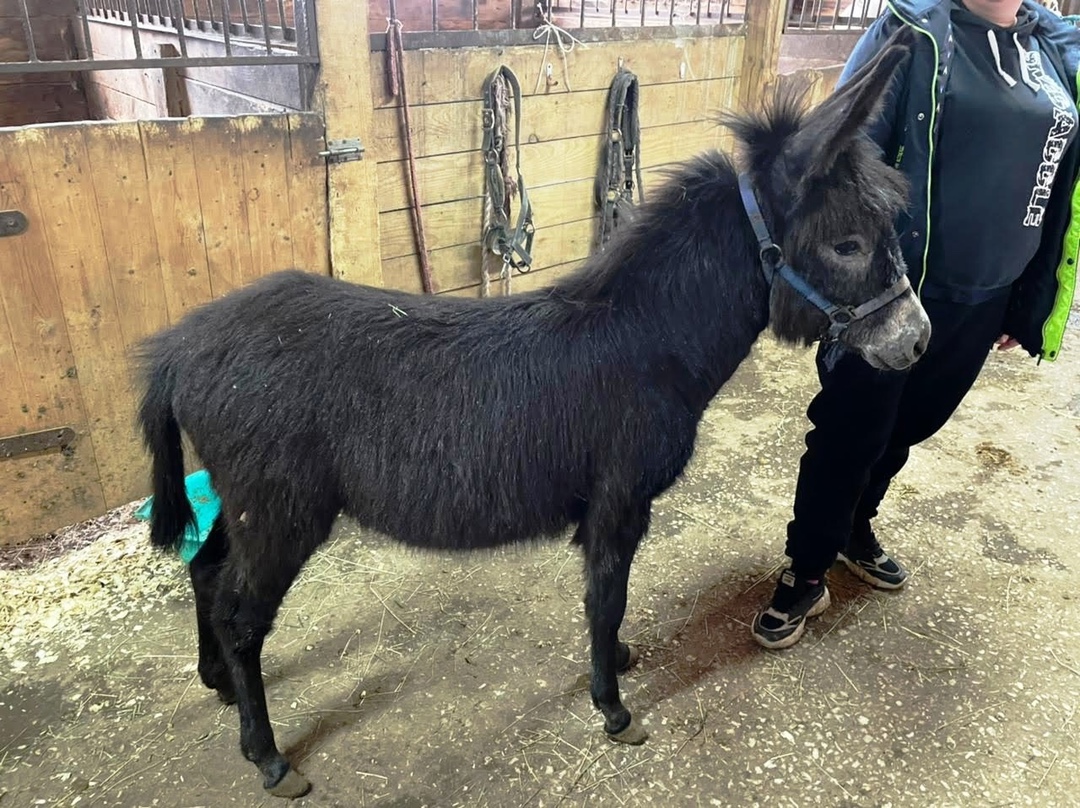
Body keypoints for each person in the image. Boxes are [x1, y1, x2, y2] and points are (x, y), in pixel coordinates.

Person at [752, 0, 1080, 649]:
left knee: (912, 424)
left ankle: (855, 527)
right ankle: (807, 567)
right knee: (850, 430)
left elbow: (1059, 183)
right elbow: (843, 156)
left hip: (989, 293)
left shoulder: (1057, 46)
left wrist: (1027, 298)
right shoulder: (913, 29)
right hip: (895, 291)